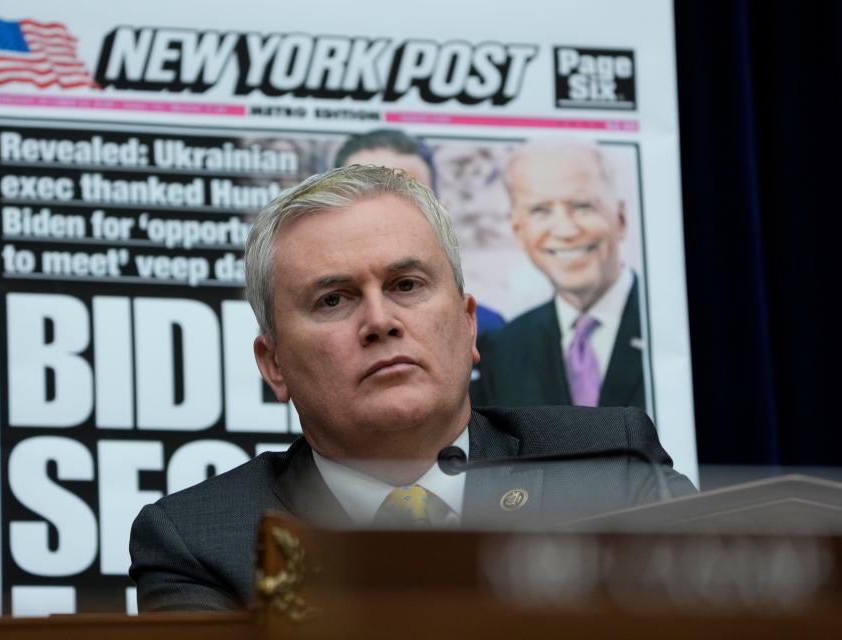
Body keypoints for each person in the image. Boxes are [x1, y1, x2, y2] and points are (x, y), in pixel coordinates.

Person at [129, 165, 695, 612]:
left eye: (406, 285)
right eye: (334, 299)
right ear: (273, 363)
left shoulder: (608, 468)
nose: (380, 321)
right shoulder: (202, 541)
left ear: (469, 325)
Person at [472, 139, 646, 410]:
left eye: (582, 206)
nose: (565, 230)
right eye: (540, 211)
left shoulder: (676, 325)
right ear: (519, 231)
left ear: (620, 218)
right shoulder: (504, 349)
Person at [335, 128, 505, 333]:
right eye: (364, 198)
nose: (384, 220)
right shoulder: (304, 328)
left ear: (441, 213)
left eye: (409, 200)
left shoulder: (486, 333)